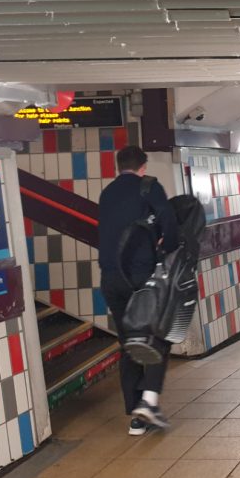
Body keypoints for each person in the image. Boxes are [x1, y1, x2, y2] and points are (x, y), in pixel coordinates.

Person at [98, 145, 179, 435]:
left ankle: (135, 412)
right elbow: (169, 222)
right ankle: (148, 404)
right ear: (143, 166)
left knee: (129, 343)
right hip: (139, 280)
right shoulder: (149, 187)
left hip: (111, 281)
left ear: (118, 166)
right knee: (158, 338)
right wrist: (167, 248)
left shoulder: (106, 193)